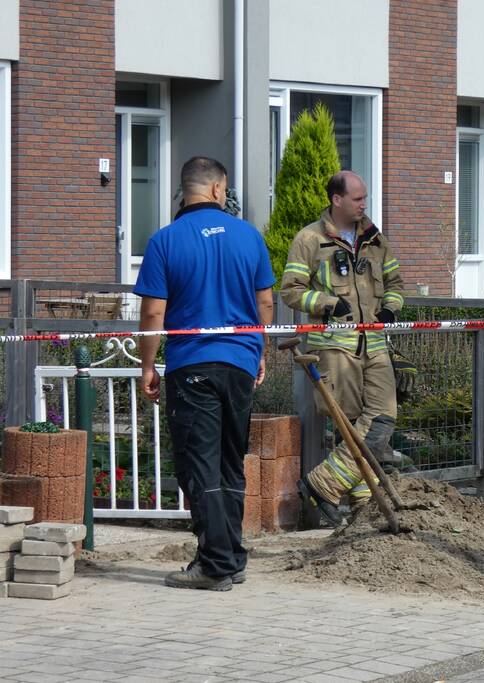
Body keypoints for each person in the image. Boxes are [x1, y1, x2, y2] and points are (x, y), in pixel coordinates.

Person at [136, 156, 275, 591]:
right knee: (231, 462)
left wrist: (147, 366)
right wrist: (260, 350)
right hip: (238, 363)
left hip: (191, 364)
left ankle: (215, 565)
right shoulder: (249, 236)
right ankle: (230, 557)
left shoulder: (165, 241)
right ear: (218, 189)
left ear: (186, 190)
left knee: (200, 466)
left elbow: (153, 311)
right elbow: (265, 304)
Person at [281, 170, 405, 526]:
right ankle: (365, 503)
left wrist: (390, 308)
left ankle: (323, 483)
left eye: (364, 198)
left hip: (375, 344)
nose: (364, 205)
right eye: (357, 199)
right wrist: (327, 303)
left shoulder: (375, 238)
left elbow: (395, 282)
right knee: (349, 425)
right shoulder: (309, 239)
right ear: (337, 200)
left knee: (383, 417)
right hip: (335, 348)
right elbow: (290, 290)